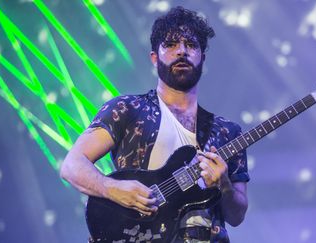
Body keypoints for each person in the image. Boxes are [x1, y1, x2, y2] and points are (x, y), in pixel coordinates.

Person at [60, 6, 249, 243]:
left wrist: (224, 186)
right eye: (170, 44)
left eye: (191, 45)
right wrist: (111, 188)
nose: (182, 51)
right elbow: (72, 165)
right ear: (154, 57)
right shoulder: (128, 109)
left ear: (203, 57)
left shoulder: (227, 132)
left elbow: (237, 215)